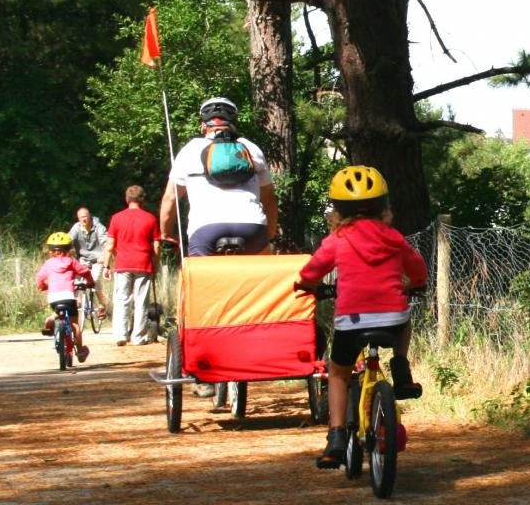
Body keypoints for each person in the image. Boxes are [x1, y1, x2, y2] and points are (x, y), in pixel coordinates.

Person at [296, 165, 428, 469]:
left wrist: (305, 285)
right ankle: (401, 366)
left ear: (338, 210)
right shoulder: (393, 237)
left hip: (352, 323)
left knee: (339, 372)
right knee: (404, 318)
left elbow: (313, 270)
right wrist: (415, 284)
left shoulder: (337, 240)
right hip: (392, 319)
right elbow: (417, 267)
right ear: (384, 206)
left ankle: (337, 438)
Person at [159, 96, 278, 258]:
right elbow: (269, 198)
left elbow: (169, 199)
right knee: (261, 279)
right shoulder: (250, 148)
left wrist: (166, 234)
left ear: (203, 125)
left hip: (205, 227)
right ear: (234, 122)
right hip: (252, 225)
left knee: (200, 281)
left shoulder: (190, 149)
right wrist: (269, 234)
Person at [102, 186, 161, 347]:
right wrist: (155, 267)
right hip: (143, 263)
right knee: (141, 301)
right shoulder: (150, 219)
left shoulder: (116, 218)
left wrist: (106, 266)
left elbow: (109, 245)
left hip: (123, 263)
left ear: (126, 199)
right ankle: (138, 336)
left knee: (122, 299)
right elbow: (156, 246)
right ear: (142, 199)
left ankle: (120, 334)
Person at [35, 231, 93, 363]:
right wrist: (90, 282)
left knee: (59, 309)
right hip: (68, 296)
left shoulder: (49, 263)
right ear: (69, 249)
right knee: (74, 324)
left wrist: (42, 286)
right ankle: (80, 351)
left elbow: (39, 277)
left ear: (50, 250)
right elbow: (85, 272)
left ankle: (53, 316)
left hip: (53, 297)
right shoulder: (71, 261)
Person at [68, 207, 108, 318]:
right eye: (81, 217)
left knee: (94, 280)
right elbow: (69, 239)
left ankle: (101, 304)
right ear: (78, 218)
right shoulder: (76, 227)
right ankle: (79, 301)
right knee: (77, 280)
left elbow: (105, 242)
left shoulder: (99, 227)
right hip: (82, 258)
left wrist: (104, 257)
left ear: (89, 216)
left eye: (85, 217)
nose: (83, 219)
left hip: (98, 258)